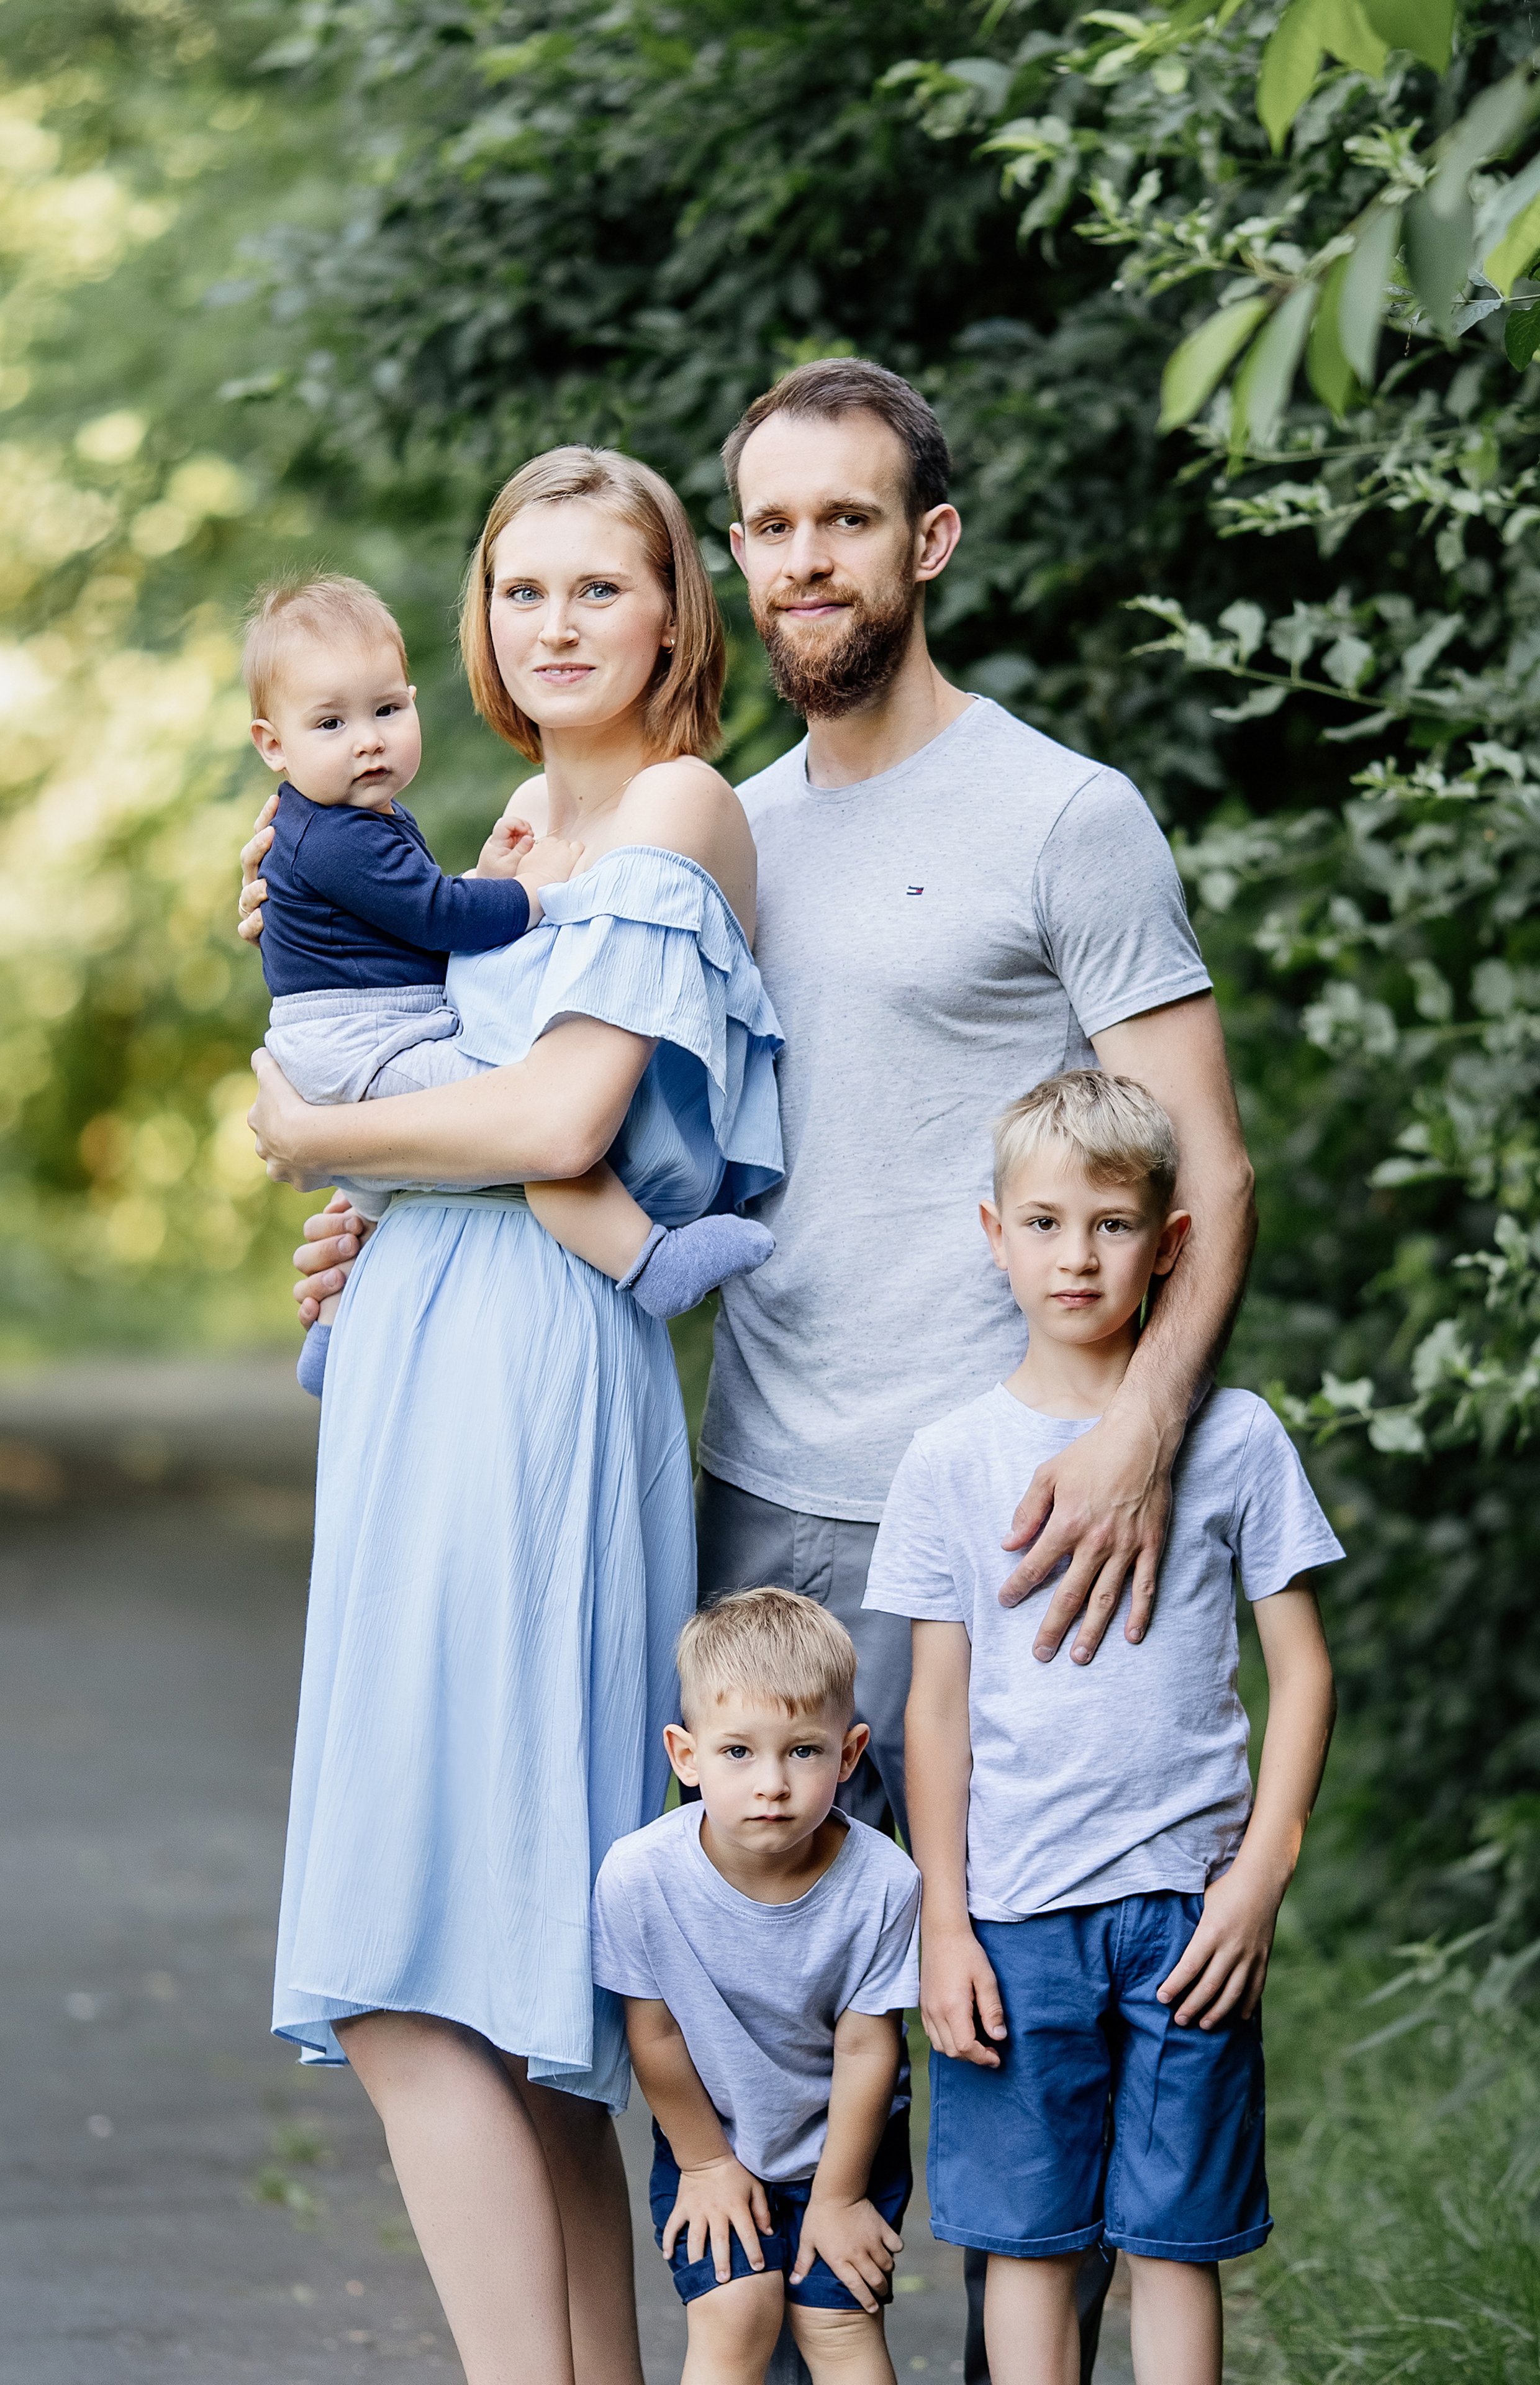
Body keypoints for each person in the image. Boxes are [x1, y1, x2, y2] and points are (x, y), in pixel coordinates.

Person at [258, 357, 1259, 2385]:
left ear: (927, 544)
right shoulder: (693, 823)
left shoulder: (1061, 815)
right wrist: (384, 1203)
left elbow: (1207, 1165)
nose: (806, 559)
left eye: (845, 521)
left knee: (997, 2044)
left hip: (1005, 1512)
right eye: (772, 524)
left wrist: (1143, 1431)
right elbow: (594, 1111)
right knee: (752, 2072)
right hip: (755, 1491)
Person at [242, 445, 784, 2385]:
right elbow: (447, 1073)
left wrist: (322, 1133)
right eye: (518, 586)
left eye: (596, 587)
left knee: (421, 1981)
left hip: (530, 1387)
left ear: (672, 612)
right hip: (432, 1360)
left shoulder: (673, 804)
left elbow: (559, 1123)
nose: (550, 623)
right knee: (521, 2007)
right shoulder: (495, 827)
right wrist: (364, 1210)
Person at [866, 1071, 1339, 2385]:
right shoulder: (948, 1461)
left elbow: (1301, 1676)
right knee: (1026, 2245)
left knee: (1173, 2246)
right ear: (991, 1233)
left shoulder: (1234, 1441)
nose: (1075, 1254)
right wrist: (944, 1926)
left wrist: (1258, 1880)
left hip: (1190, 1917)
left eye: (1111, 1223)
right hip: (1015, 1923)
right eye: (1043, 1221)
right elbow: (934, 1711)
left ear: (1168, 1242)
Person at [244, 570, 774, 1393]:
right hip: (368, 1052)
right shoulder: (343, 833)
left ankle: (337, 1324)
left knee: (440, 1144)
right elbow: (437, 921)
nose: (368, 741)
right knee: (510, 1099)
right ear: (273, 745)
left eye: (387, 711)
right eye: (331, 723)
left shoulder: (345, 820)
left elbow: (413, 924)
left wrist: (480, 876)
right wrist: (531, 893)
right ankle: (648, 1261)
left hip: (371, 1055)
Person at [592, 1591, 920, 2385]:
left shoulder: (883, 1880)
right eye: (738, 1752)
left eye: (802, 1752)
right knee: (736, 2316)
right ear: (686, 1756)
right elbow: (655, 2033)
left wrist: (840, 2199)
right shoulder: (639, 1877)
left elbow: (869, 2043)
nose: (771, 1783)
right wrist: (705, 2165)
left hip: (845, 2140)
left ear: (848, 1757)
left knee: (837, 2322)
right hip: (713, 2132)